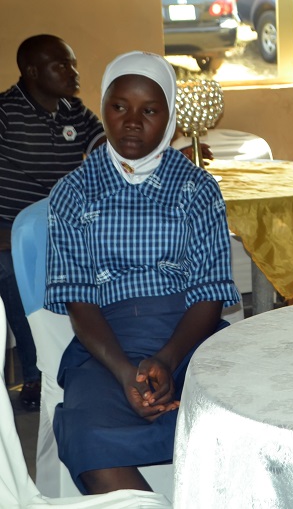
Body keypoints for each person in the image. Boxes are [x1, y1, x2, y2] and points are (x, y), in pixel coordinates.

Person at [44, 51, 240, 494]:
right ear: (102, 106)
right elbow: (80, 302)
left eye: (149, 111)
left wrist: (167, 360)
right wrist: (124, 372)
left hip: (189, 337)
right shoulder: (73, 193)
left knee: (242, 415)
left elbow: (208, 294)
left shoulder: (196, 189)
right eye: (119, 107)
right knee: (87, 434)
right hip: (106, 347)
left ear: (169, 119)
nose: (132, 122)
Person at [0, 34, 105, 410]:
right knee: (15, 272)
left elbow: (107, 150)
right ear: (32, 72)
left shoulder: (74, 110)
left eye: (72, 63)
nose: (73, 72)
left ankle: (96, 358)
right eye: (61, 65)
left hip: (62, 227)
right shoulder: (5, 112)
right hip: (10, 233)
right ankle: (36, 372)